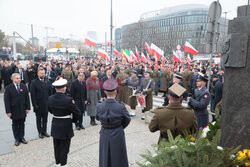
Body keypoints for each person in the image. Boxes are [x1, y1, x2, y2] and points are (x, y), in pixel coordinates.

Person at [96, 79, 131, 167]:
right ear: (116, 92)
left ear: (105, 92)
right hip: (117, 131)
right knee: (119, 156)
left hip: (104, 131)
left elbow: (97, 117)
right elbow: (127, 119)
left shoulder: (100, 106)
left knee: (105, 155)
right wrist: (119, 127)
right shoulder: (120, 106)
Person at [48, 79, 81, 167]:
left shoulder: (50, 98)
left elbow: (50, 110)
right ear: (64, 89)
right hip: (65, 125)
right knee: (65, 147)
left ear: (56, 89)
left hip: (55, 123)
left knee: (57, 146)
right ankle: (63, 164)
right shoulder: (68, 100)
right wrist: (73, 120)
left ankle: (57, 163)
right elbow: (78, 113)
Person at [4, 73, 30, 146]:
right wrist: (8, 111)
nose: (19, 79)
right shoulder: (8, 88)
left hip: (22, 109)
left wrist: (28, 107)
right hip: (14, 110)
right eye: (17, 78)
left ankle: (22, 137)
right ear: (13, 79)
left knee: (22, 124)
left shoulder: (24, 86)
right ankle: (17, 139)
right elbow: (6, 101)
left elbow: (27, 98)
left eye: (20, 78)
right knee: (15, 124)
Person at [30, 68, 52, 138]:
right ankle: (40, 132)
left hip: (46, 104)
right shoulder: (34, 82)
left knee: (45, 119)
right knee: (39, 120)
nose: (43, 74)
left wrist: (50, 103)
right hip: (38, 105)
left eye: (44, 73)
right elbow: (32, 95)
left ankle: (44, 131)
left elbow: (50, 93)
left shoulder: (47, 81)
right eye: (41, 73)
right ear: (38, 74)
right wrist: (34, 105)